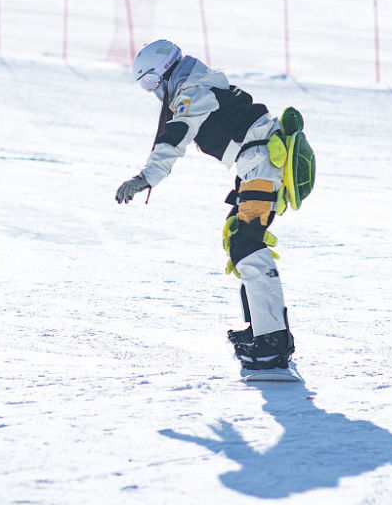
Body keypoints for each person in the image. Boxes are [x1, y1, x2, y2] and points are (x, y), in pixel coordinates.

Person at [115, 39, 315, 375]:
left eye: (150, 82)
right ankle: (262, 330)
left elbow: (175, 135)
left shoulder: (192, 92)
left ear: (163, 72)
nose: (151, 91)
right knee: (239, 239)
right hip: (258, 161)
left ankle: (273, 343)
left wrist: (145, 177)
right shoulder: (198, 83)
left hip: (264, 162)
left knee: (247, 245)